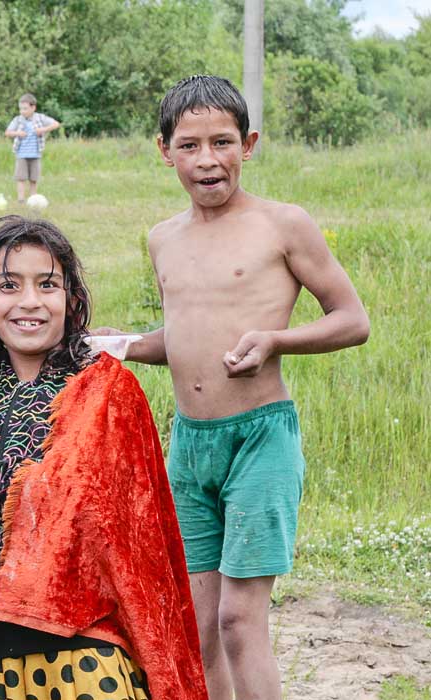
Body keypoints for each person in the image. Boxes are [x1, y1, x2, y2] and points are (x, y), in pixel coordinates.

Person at [98, 75, 370, 700]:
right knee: (196, 628)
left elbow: (352, 321)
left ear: (248, 144)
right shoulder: (163, 238)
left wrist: (276, 341)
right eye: (189, 145)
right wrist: (129, 345)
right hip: (190, 447)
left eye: (222, 142)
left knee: (240, 623)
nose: (207, 159)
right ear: (164, 150)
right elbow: (187, 338)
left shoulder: (282, 225)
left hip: (260, 440)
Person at [0, 216, 207, 700]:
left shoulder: (105, 385)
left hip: (80, 646)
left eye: (47, 285)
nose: (29, 301)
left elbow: (89, 502)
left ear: (72, 299)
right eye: (9, 285)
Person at [4, 93, 60, 203]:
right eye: (20, 109)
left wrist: (43, 130)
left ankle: (33, 199)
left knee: (34, 178)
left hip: (36, 154)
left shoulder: (40, 118)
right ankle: (21, 199)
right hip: (21, 154)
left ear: (33, 107)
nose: (22, 111)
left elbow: (56, 124)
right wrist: (18, 133)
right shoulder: (18, 120)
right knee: (21, 177)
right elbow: (7, 132)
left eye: (25, 109)